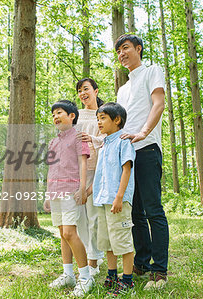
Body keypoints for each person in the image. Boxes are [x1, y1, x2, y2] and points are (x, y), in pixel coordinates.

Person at [115, 34, 169, 289]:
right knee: (134, 212)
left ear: (138, 49)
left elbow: (158, 104)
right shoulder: (122, 89)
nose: (121, 54)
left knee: (152, 210)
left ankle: (159, 271)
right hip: (126, 155)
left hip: (146, 149)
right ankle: (142, 261)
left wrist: (143, 133)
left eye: (125, 48)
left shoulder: (152, 71)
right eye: (118, 51)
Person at [45, 100, 94, 297]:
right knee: (62, 233)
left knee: (70, 232)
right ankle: (68, 274)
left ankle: (85, 276)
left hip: (71, 191)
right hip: (55, 191)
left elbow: (83, 163)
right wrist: (48, 194)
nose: (55, 117)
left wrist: (82, 189)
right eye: (53, 114)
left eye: (59, 113)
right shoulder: (53, 141)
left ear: (72, 116)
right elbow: (51, 168)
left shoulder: (78, 136)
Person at [91, 102, 136, 296]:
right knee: (107, 241)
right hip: (103, 200)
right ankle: (112, 276)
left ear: (117, 120)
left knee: (122, 241)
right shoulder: (104, 144)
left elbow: (126, 170)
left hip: (118, 201)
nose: (99, 122)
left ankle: (127, 282)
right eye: (97, 118)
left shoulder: (123, 141)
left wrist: (119, 197)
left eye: (103, 118)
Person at [75, 78, 105, 276]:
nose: (82, 93)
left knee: (94, 216)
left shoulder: (104, 113)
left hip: (98, 168)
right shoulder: (76, 115)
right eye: (79, 90)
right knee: (79, 219)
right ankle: (85, 257)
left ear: (95, 90)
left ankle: (95, 260)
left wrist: (92, 139)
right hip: (77, 171)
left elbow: (110, 136)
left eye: (85, 89)